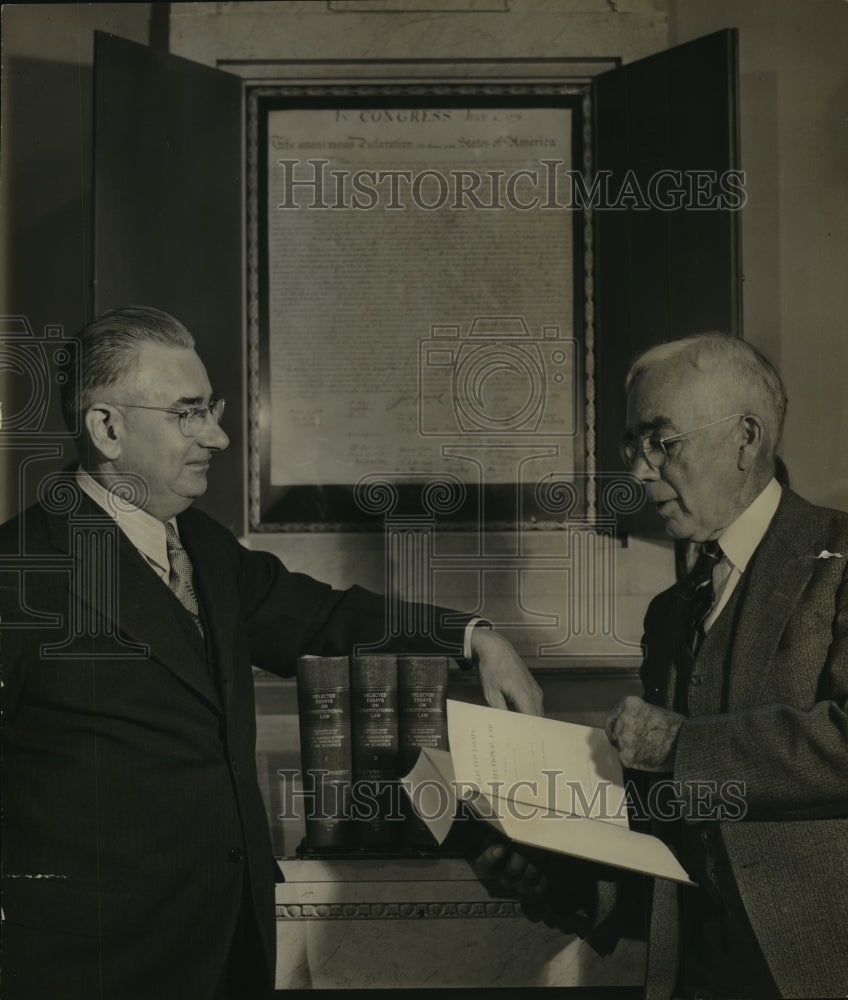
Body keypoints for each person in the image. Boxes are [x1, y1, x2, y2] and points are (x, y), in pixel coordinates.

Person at [0, 305, 542, 1000]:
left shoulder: (207, 548)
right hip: (91, 968)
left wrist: (474, 636)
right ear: (107, 427)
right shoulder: (22, 567)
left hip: (229, 947)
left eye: (213, 410)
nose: (218, 437)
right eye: (188, 414)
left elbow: (325, 617)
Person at [476, 333, 848, 999]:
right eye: (633, 448)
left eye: (662, 442)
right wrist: (559, 877)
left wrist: (683, 744)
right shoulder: (670, 613)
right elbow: (664, 831)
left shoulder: (841, 561)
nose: (641, 472)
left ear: (746, 438)